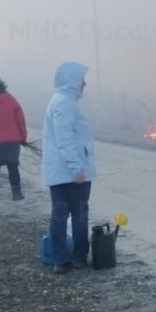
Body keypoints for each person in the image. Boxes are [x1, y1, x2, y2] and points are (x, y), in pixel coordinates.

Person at [41, 61, 96, 273]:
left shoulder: (62, 101)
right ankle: (78, 257)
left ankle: (61, 260)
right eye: (82, 79)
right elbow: (65, 139)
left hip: (61, 172)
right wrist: (76, 168)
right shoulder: (65, 103)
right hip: (71, 173)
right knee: (78, 213)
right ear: (72, 80)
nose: (85, 83)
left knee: (60, 213)